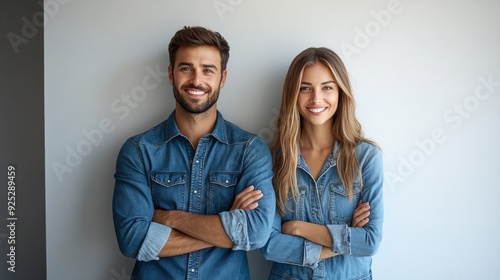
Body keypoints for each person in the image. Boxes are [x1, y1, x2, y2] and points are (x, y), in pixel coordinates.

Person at [112, 26, 275, 279]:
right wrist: (229, 224)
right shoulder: (138, 150)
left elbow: (256, 233)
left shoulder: (250, 150)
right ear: (171, 74)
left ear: (222, 78)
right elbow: (132, 240)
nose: (196, 80)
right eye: (186, 68)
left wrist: (170, 218)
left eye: (208, 70)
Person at [261, 47, 383, 279]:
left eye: (327, 87)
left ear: (340, 92)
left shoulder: (366, 157)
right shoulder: (274, 160)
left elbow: (369, 242)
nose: (316, 98)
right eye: (305, 88)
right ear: (292, 94)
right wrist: (345, 240)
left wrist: (297, 228)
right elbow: (270, 246)